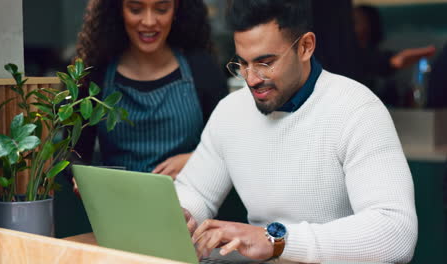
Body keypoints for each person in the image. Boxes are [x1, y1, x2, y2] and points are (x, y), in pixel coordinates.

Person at [174, 0, 417, 263]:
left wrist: (276, 240)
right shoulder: (230, 111)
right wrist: (182, 214)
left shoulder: (357, 109)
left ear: (305, 47)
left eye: (265, 62)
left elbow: (395, 231)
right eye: (242, 63)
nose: (252, 78)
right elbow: (196, 192)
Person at [73, 0, 228, 179]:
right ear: (119, 10)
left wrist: (196, 160)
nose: (149, 21)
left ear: (176, 8)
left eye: (161, 10)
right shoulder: (96, 73)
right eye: (135, 9)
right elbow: (71, 154)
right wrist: (81, 178)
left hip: (186, 204)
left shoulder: (202, 69)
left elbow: (229, 148)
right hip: (116, 203)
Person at [353, 4, 436, 105]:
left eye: (354, 22)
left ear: (370, 26)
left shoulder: (381, 58)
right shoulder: (349, 60)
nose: (347, 27)